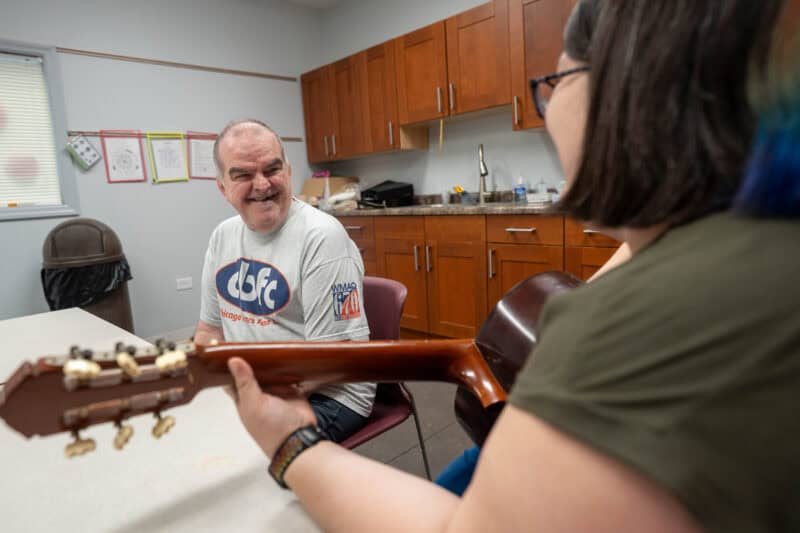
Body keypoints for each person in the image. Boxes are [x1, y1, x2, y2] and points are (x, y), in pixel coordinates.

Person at [226, 1, 800, 531]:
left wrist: (292, 446)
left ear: (626, 92)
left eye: (555, 81)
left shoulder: (639, 328)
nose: (548, 109)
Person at [194, 119, 374, 442]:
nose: (262, 185)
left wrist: (246, 395)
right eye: (244, 175)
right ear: (222, 187)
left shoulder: (321, 236)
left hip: (330, 395)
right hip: (257, 384)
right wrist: (216, 383)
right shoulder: (223, 237)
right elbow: (209, 332)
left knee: (234, 452)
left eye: (272, 169)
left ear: (288, 172)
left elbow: (327, 363)